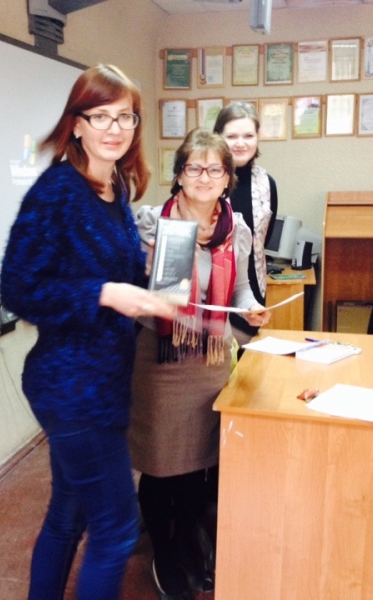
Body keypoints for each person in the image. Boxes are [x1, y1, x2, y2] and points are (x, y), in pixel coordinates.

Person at [0, 64, 175, 600]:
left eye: (125, 116)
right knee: (116, 531)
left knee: (67, 514)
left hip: (103, 384)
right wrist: (102, 294)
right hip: (72, 389)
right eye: (100, 116)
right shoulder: (57, 191)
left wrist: (151, 283)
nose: (114, 128)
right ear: (76, 124)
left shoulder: (113, 188)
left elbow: (113, 273)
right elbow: (18, 290)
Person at [129, 129, 270, 600]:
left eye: (215, 168)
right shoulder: (153, 223)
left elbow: (240, 290)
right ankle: (164, 555)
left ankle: (187, 541)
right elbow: (138, 291)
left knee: (197, 466)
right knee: (161, 465)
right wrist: (151, 284)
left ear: (228, 178)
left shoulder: (235, 228)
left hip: (210, 360)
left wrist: (251, 308)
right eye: (194, 167)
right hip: (163, 359)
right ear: (179, 175)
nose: (204, 177)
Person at [213, 102, 279, 347]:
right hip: (213, 293)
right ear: (218, 137)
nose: (240, 143)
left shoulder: (267, 183)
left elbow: (261, 239)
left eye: (248, 136)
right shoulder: (207, 179)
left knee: (246, 359)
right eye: (232, 136)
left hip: (252, 291)